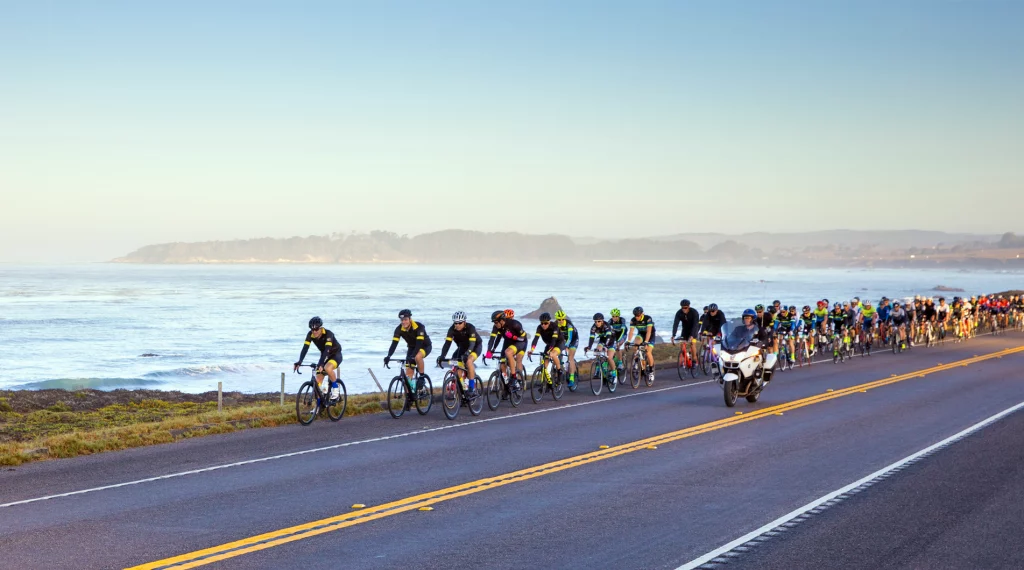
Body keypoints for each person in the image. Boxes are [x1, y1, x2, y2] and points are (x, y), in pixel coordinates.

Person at [294, 316, 343, 401]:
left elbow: (327, 349)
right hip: (324, 356)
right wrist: (300, 361)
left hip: (335, 355)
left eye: (316, 329)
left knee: (327, 368)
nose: (314, 332)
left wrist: (321, 363)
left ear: (320, 328)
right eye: (312, 330)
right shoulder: (310, 335)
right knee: (317, 383)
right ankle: (318, 407)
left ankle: (336, 390)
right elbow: (305, 348)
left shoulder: (328, 334)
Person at [384, 309, 432, 392]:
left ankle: (422, 377)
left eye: (405, 320)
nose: (403, 322)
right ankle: (409, 397)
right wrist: (389, 355)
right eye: (402, 320)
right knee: (408, 375)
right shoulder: (399, 329)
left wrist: (412, 356)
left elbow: (419, 343)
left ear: (410, 319)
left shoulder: (419, 327)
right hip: (412, 348)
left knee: (417, 357)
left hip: (424, 346)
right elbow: (394, 344)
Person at [437, 311, 482, 393]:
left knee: (468, 361)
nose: (457, 325)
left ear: (464, 322)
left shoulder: (470, 327)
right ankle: (462, 387)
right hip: (462, 347)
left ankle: (471, 387)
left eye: (459, 323)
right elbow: (447, 344)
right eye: (455, 323)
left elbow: (472, 344)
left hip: (475, 346)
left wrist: (467, 353)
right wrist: (442, 356)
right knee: (455, 363)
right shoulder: (452, 329)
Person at [486, 309, 528, 389]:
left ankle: (514, 377)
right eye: (494, 323)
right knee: (502, 362)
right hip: (508, 342)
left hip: (520, 342)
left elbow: (523, 338)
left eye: (496, 322)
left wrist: (513, 337)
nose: (495, 324)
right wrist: (489, 350)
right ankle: (506, 384)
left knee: (509, 353)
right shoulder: (496, 327)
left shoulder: (515, 324)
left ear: (501, 320)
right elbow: (492, 339)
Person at [528, 312, 564, 380]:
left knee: (553, 354)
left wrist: (550, 350)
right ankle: (546, 381)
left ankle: (559, 371)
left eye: (545, 323)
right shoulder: (539, 328)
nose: (543, 325)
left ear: (549, 322)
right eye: (542, 323)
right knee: (545, 364)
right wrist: (532, 350)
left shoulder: (554, 327)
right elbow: (536, 339)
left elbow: (554, 340)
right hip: (549, 344)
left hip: (559, 343)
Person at [585, 312, 618, 382]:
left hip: (611, 341)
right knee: (597, 351)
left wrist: (606, 346)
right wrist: (589, 347)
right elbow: (591, 337)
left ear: (602, 321)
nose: (597, 323)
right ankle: (597, 370)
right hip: (602, 340)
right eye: (595, 321)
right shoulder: (593, 327)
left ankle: (614, 374)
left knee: (609, 357)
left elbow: (608, 337)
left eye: (599, 321)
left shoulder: (607, 326)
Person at [628, 306, 657, 383]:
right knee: (635, 346)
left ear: (642, 314)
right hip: (641, 334)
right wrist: (628, 341)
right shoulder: (633, 320)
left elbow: (649, 331)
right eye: (635, 316)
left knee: (648, 352)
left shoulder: (648, 318)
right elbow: (631, 332)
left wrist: (646, 342)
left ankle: (651, 371)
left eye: (638, 315)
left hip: (650, 335)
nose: (636, 317)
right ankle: (637, 362)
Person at [554, 310, 578, 388]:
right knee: (558, 353)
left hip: (573, 339)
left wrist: (566, 346)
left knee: (570, 357)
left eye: (562, 319)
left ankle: (571, 378)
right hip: (563, 339)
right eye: (559, 319)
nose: (561, 321)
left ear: (564, 318)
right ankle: (560, 367)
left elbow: (570, 338)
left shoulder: (569, 325)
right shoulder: (555, 324)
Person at [672, 299, 700, 366]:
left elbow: (696, 324)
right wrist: (673, 335)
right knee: (682, 345)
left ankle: (694, 360)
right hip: (685, 329)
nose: (684, 309)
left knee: (692, 343)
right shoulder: (679, 313)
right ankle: (686, 359)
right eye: (682, 307)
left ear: (689, 306)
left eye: (685, 308)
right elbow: (676, 324)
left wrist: (692, 335)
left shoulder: (694, 312)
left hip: (694, 329)